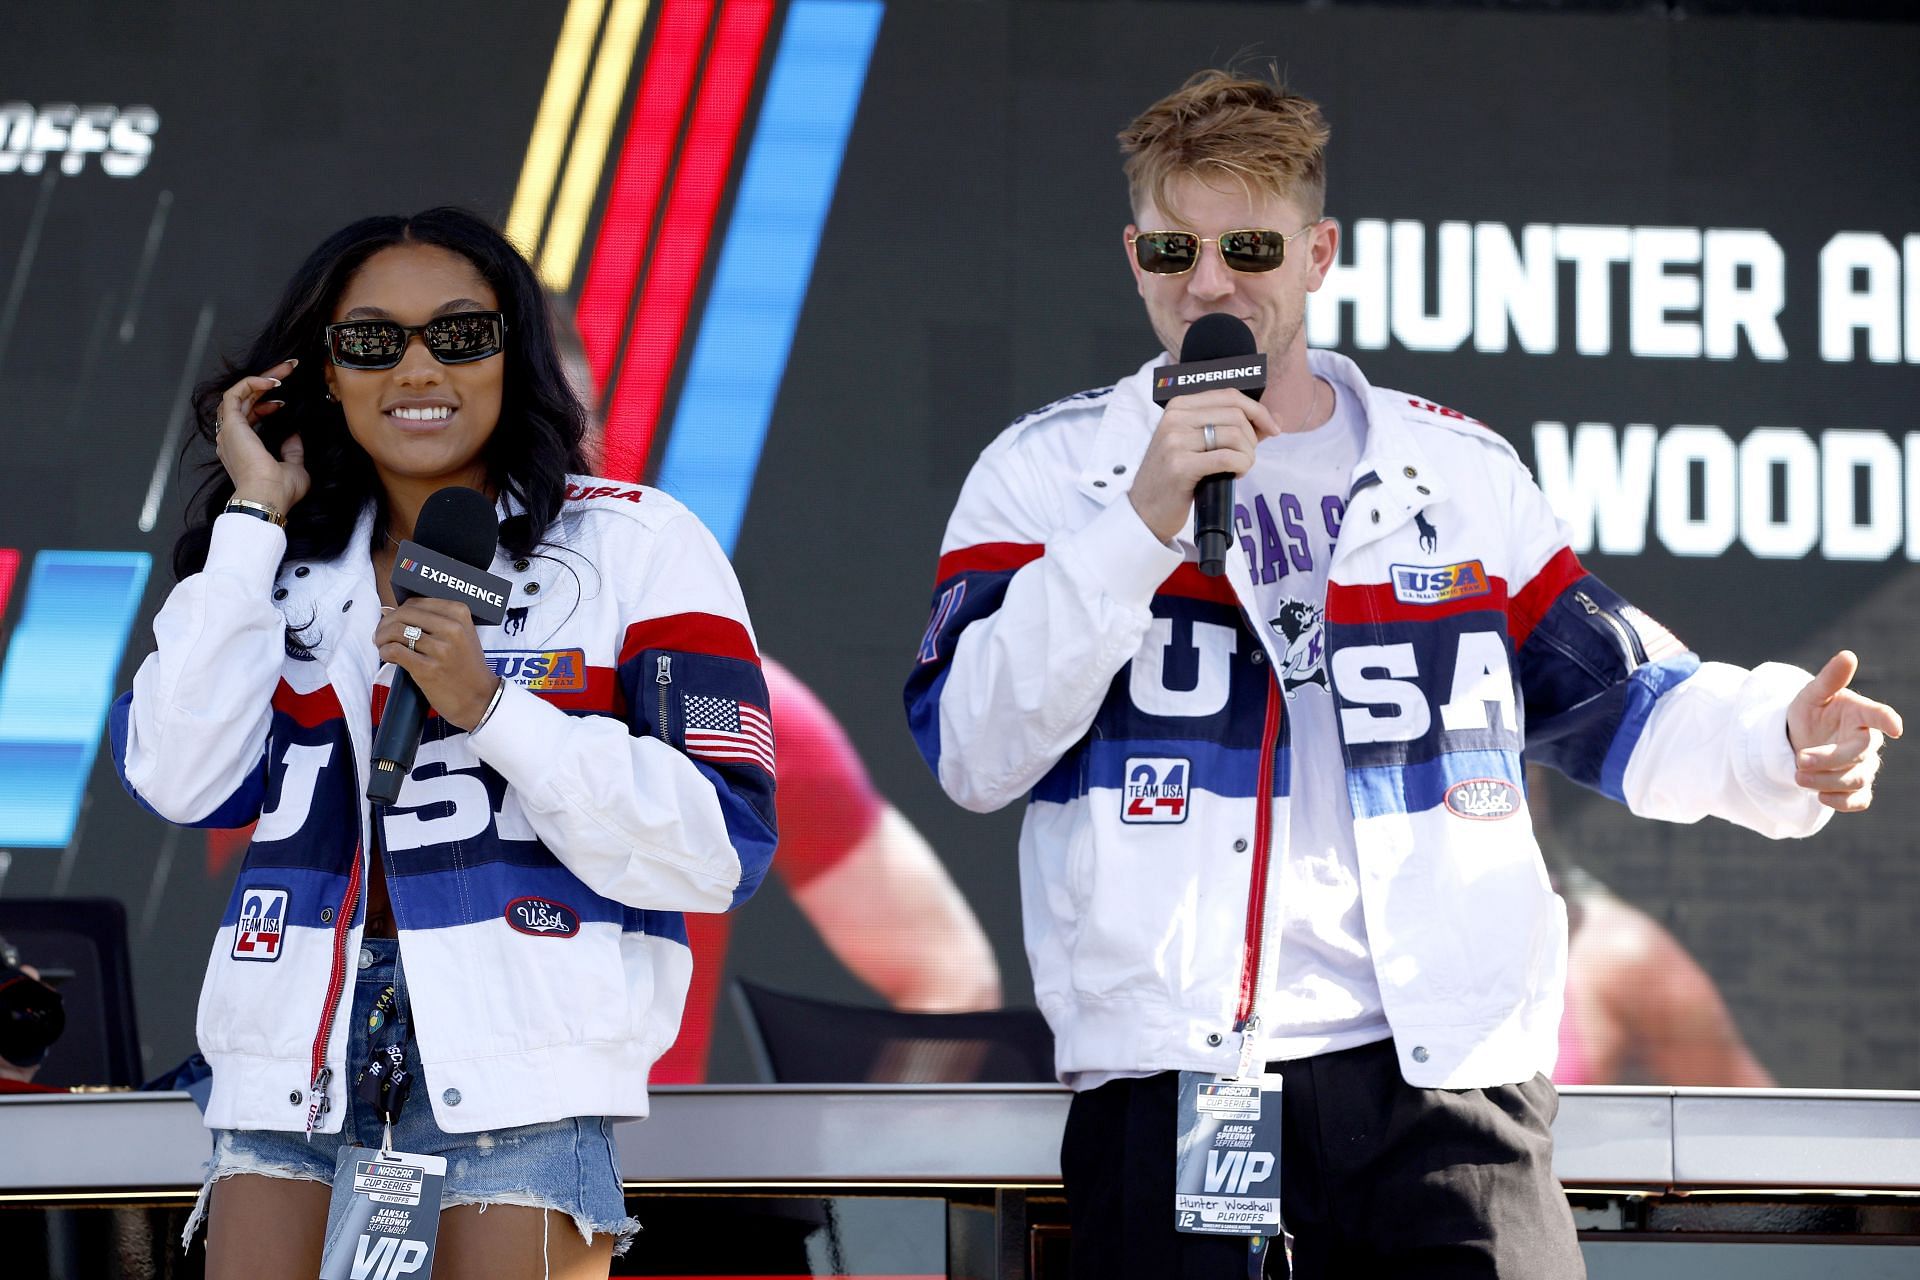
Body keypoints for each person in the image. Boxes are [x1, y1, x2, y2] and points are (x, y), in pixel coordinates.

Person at [903, 69, 1900, 1278]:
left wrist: (1778, 736)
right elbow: (972, 745)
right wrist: (1137, 524)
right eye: (1174, 245)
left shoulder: (1460, 474)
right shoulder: (1051, 473)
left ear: (1318, 251)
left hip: (1445, 1079)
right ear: (1133, 254)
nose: (1208, 281)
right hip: (1186, 1073)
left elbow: (1625, 694)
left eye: (1249, 244)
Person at [109, 207, 776, 1279]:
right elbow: (175, 778)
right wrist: (249, 516)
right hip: (289, 1054)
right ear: (325, 372)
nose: (418, 366)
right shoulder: (271, 565)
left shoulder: (633, 544)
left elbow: (719, 846)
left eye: (460, 335)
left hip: (523, 1061)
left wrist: (494, 710)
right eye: (374, 340)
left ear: (514, 353)